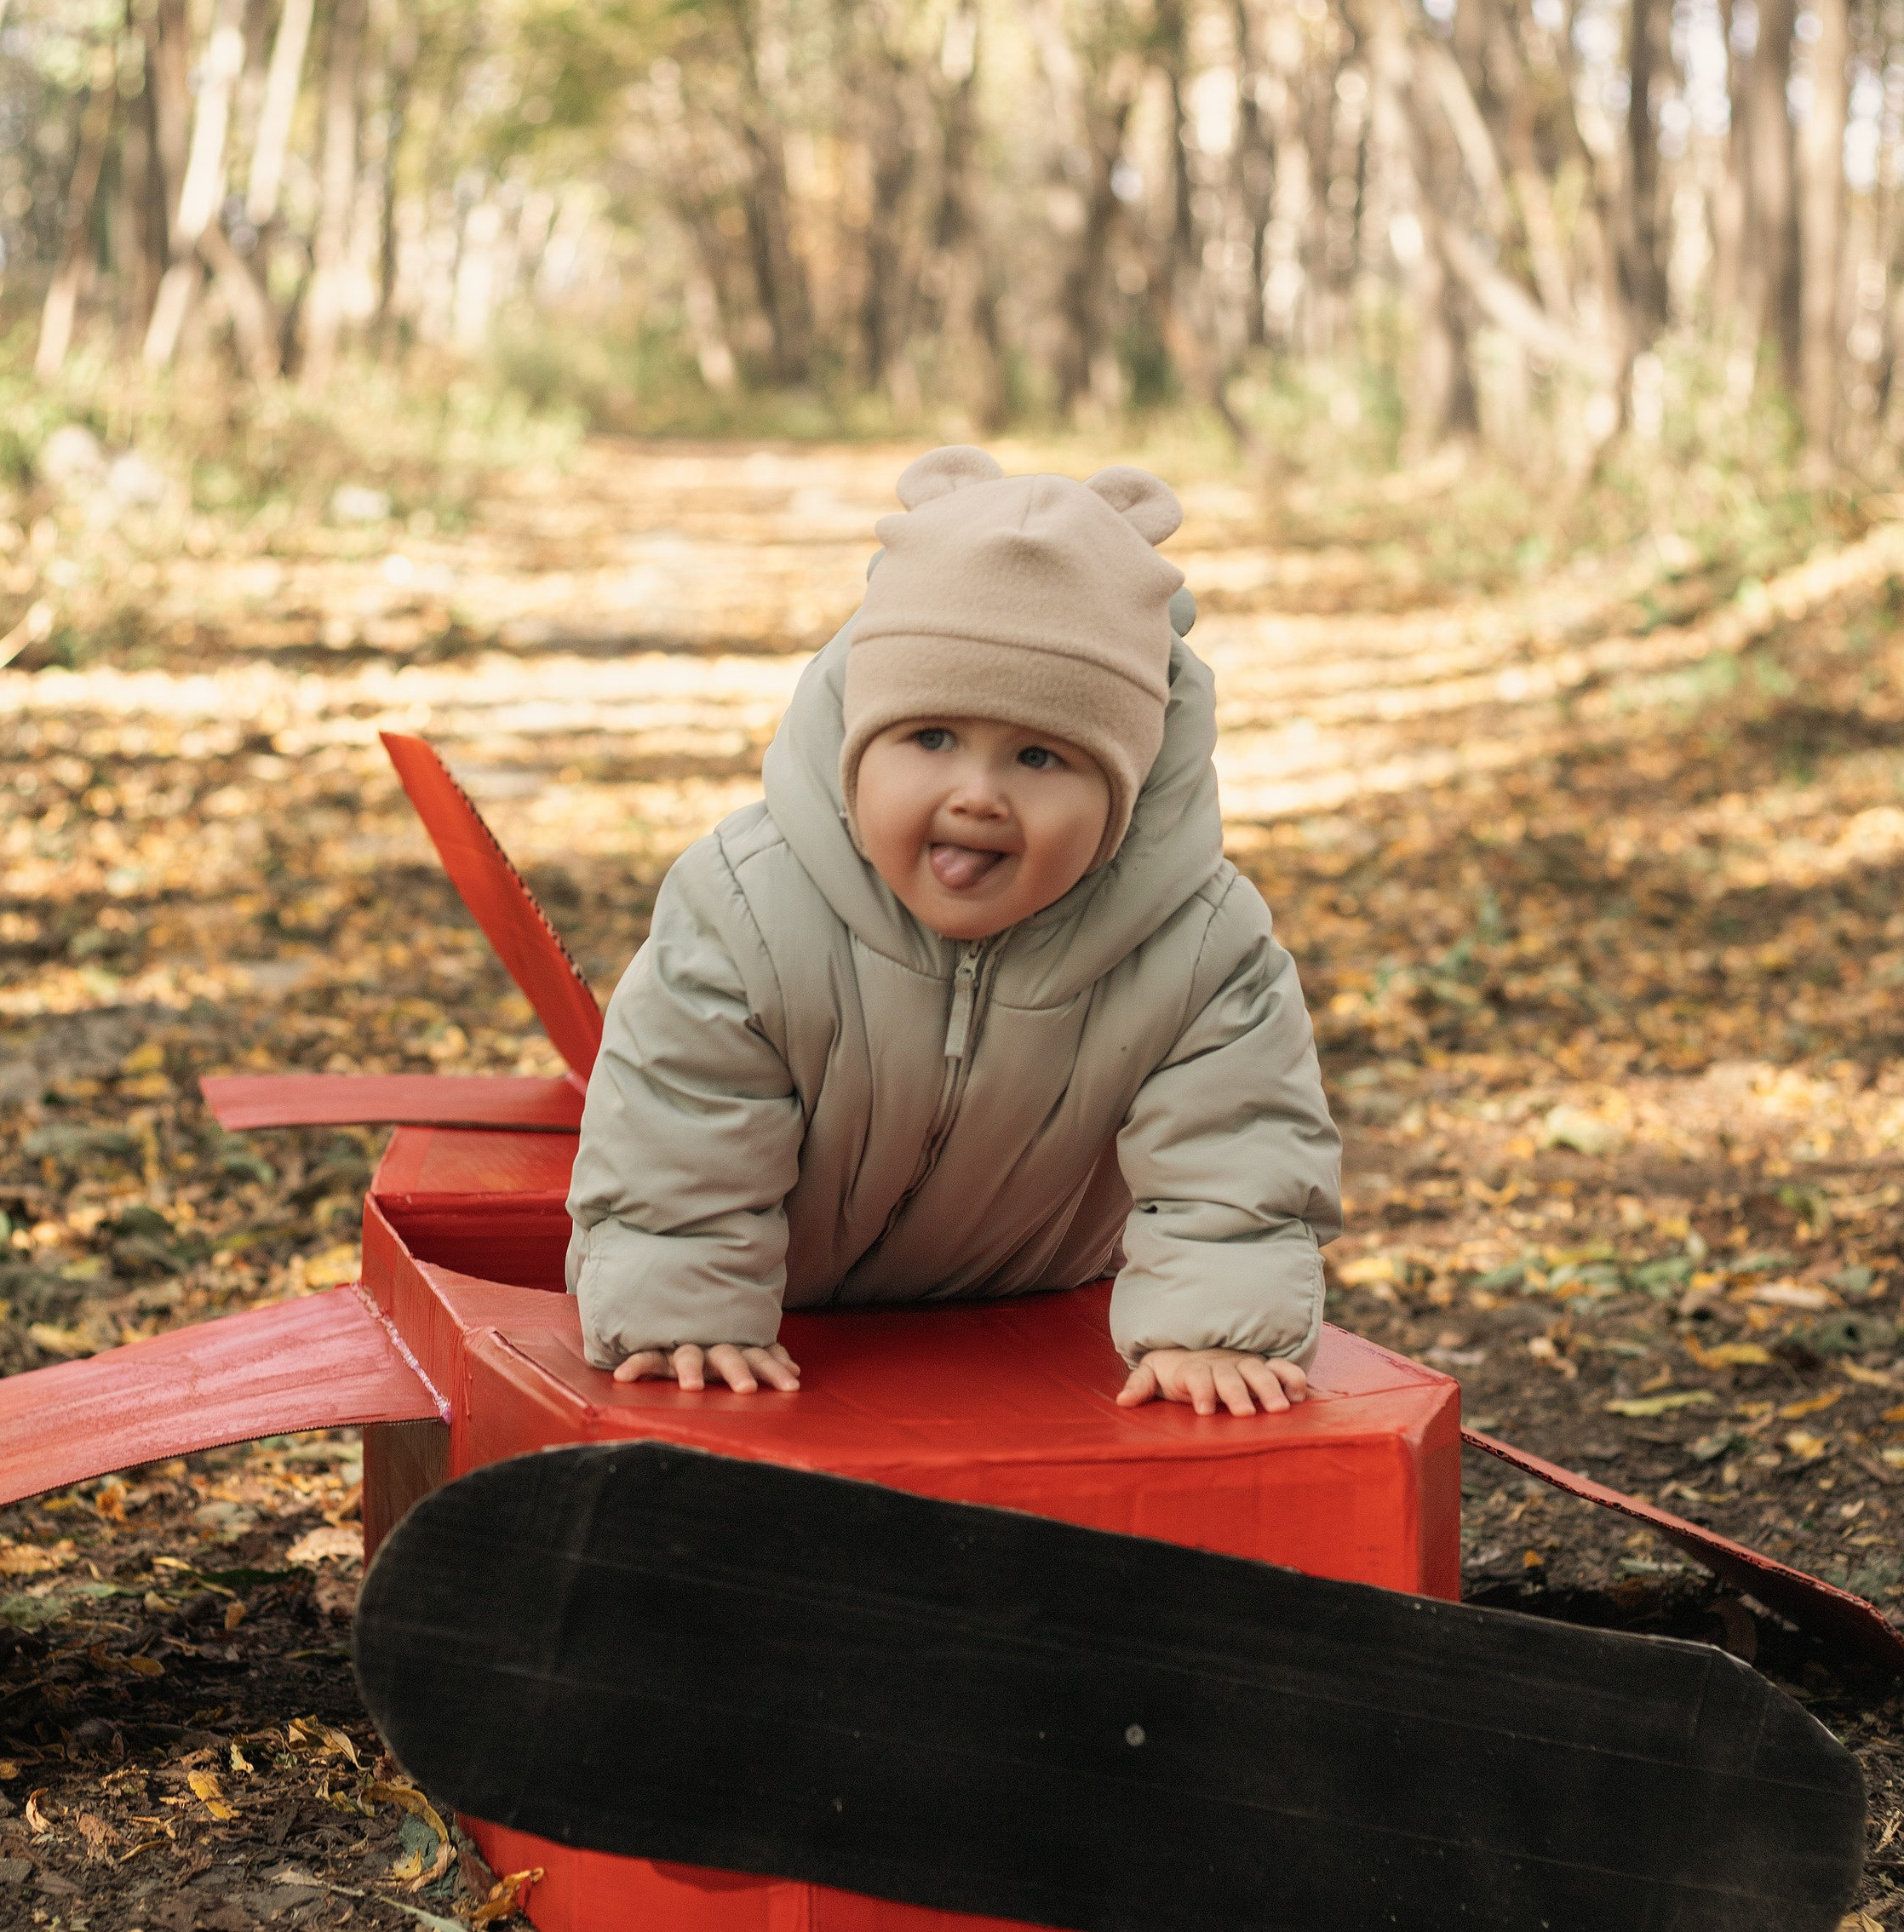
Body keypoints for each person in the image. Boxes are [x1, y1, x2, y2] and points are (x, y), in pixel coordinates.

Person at [564, 445, 1341, 1418]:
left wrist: (1213, 1332)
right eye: (930, 739)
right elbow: (681, 1115)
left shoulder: (1197, 945)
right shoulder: (749, 907)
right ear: (857, 741)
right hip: (775, 1313)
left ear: (1124, 793)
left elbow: (1237, 1146)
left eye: (1039, 756)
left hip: (1038, 1296)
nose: (977, 794)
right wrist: (681, 1309)